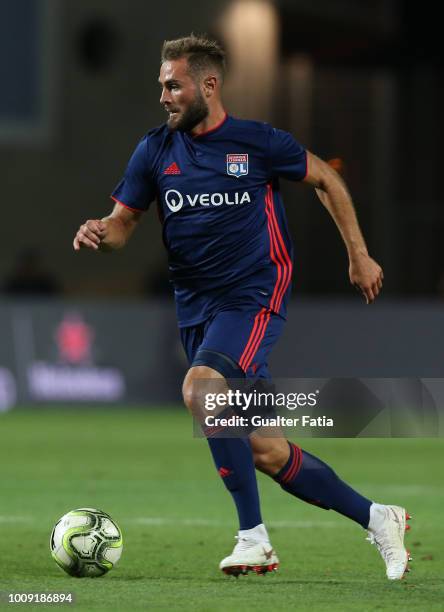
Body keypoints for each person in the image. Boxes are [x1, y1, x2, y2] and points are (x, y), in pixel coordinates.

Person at [73, 35, 411, 580]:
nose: (163, 96)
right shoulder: (155, 151)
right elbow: (122, 225)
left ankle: (254, 539)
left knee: (200, 389)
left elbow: (325, 177)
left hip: (253, 296)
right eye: (161, 85)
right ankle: (379, 517)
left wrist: (359, 254)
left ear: (208, 85)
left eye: (173, 84)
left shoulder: (256, 142)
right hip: (196, 310)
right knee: (264, 451)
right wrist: (99, 230)